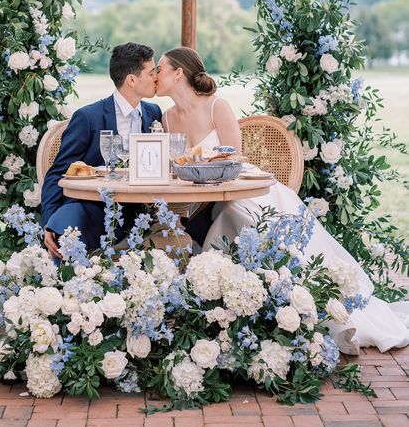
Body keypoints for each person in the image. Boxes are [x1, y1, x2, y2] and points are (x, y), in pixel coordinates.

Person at [156, 46, 409, 354]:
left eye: (160, 68)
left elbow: (236, 161)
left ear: (178, 73)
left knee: (237, 214)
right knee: (222, 217)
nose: (156, 75)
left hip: (243, 191)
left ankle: (301, 301)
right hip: (202, 201)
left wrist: (205, 169)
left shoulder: (215, 106)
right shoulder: (166, 118)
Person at [41, 42, 161, 259]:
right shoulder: (88, 117)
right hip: (93, 209)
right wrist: (49, 221)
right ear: (131, 80)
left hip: (139, 212)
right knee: (65, 223)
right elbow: (58, 172)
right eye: (152, 72)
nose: (156, 77)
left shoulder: (154, 114)